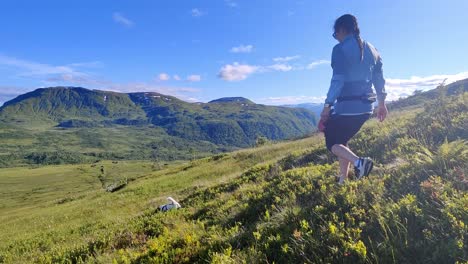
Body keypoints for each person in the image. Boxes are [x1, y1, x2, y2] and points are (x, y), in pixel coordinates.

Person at [320, 14, 388, 185]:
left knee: (332, 144)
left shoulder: (340, 49)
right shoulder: (373, 50)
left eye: (336, 34)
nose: (336, 39)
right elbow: (379, 79)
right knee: (342, 142)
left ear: (342, 29)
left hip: (347, 106)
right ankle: (342, 180)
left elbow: (338, 80)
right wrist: (382, 104)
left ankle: (360, 163)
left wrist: (327, 106)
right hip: (366, 107)